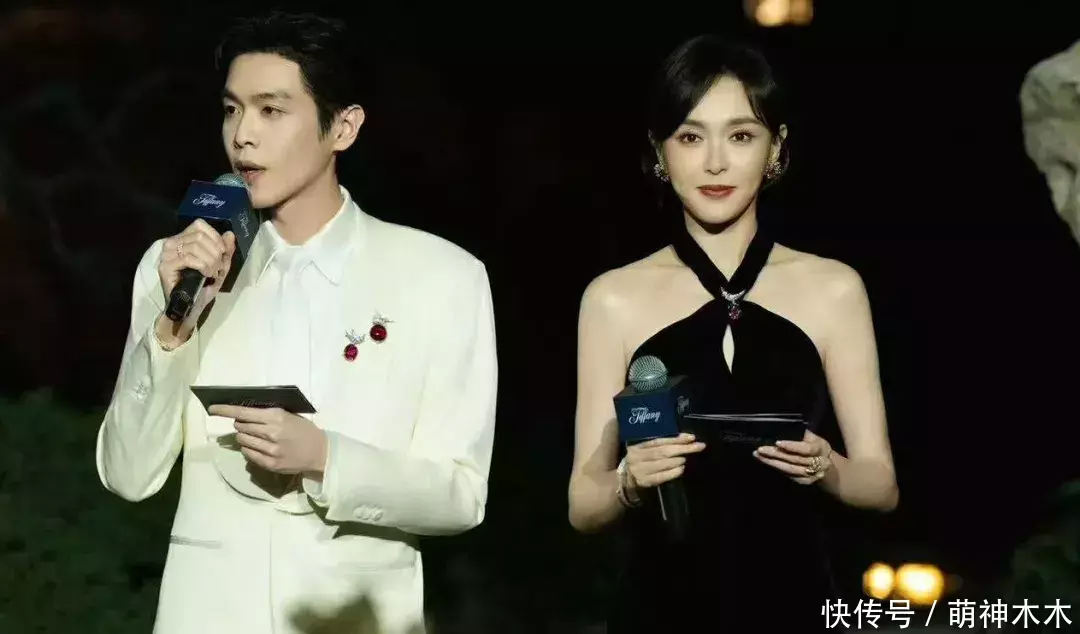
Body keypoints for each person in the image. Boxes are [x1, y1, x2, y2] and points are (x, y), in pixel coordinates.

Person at [95, 11, 498, 634]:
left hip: (355, 615)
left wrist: (326, 458)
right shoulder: (177, 265)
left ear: (344, 127)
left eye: (271, 111)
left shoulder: (443, 276)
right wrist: (172, 332)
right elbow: (128, 473)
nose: (243, 136)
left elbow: (461, 495)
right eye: (232, 110)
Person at [568, 35, 898, 632]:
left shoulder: (834, 289)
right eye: (691, 137)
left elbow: (880, 484)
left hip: (799, 605)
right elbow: (582, 503)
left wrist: (827, 466)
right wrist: (628, 483)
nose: (715, 162)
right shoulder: (613, 298)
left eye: (741, 136)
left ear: (777, 148)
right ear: (659, 151)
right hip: (658, 613)